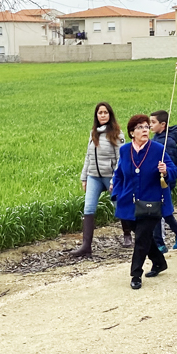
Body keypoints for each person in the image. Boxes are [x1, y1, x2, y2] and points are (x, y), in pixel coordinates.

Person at [111, 115, 177, 289]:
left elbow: (173, 170)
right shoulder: (125, 150)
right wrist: (116, 192)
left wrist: (166, 170)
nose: (145, 130)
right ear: (132, 132)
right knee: (143, 235)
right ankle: (159, 262)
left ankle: (136, 274)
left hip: (152, 202)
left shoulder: (158, 149)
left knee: (141, 238)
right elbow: (119, 174)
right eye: (140, 127)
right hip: (128, 202)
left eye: (147, 127)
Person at [72, 102, 122, 258]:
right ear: (96, 116)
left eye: (105, 112)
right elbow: (88, 156)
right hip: (93, 176)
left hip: (110, 177)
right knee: (88, 208)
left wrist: (115, 179)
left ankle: (128, 234)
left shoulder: (117, 134)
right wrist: (84, 177)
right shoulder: (93, 133)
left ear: (110, 115)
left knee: (119, 206)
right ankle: (86, 247)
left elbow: (121, 158)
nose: (102, 115)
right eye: (100, 113)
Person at [149, 111, 177, 252]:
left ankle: (160, 243)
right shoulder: (156, 138)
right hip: (154, 183)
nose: (150, 125)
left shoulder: (168, 142)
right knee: (160, 212)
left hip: (163, 182)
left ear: (163, 124)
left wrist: (166, 177)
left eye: (153, 122)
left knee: (156, 212)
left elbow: (172, 165)